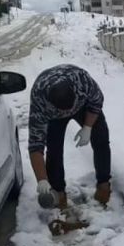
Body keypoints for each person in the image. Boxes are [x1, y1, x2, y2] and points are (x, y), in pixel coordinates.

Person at [28, 64, 111, 209]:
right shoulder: (39, 100)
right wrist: (41, 179)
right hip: (54, 117)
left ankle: (104, 185)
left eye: (70, 109)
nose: (69, 113)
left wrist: (88, 127)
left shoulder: (82, 81)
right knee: (54, 151)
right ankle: (58, 195)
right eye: (65, 111)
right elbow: (36, 144)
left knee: (101, 139)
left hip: (83, 106)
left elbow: (96, 102)